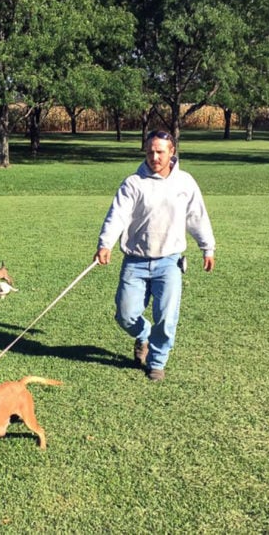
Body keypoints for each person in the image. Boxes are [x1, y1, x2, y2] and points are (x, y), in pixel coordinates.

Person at [95, 130, 215, 381]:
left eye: (160, 151)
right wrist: (105, 243)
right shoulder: (133, 183)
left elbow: (197, 216)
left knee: (166, 316)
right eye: (150, 151)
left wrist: (207, 247)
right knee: (125, 315)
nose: (154, 156)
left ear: (172, 152)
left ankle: (156, 362)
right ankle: (144, 334)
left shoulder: (185, 183)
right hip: (135, 261)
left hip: (169, 261)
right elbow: (117, 215)